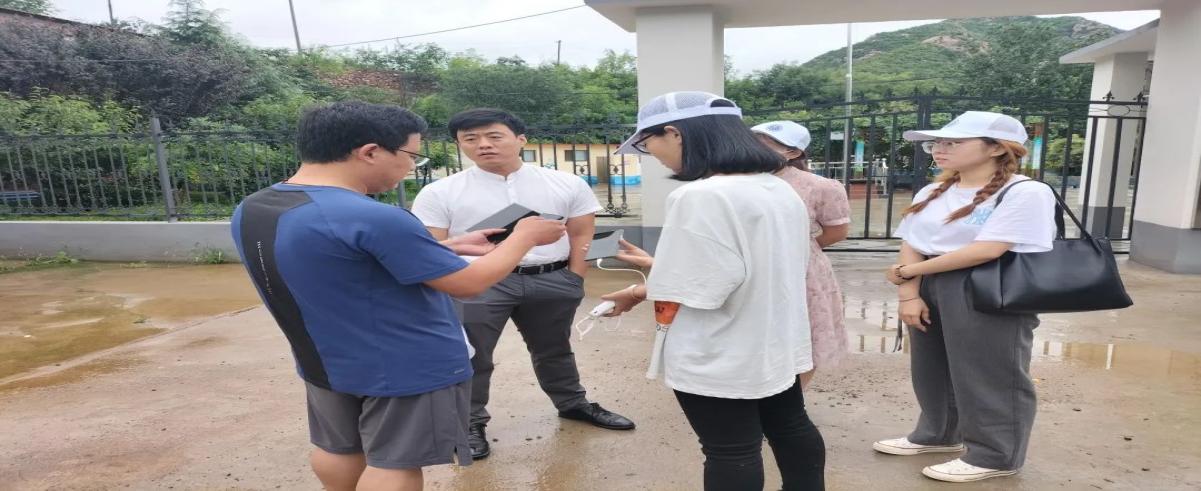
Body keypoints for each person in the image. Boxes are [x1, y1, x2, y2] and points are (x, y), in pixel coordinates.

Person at [230, 101, 567, 491]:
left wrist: (446, 247)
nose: (410, 166)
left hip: (324, 358)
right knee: (395, 464)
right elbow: (469, 283)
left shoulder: (256, 207)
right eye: (410, 155)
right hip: (403, 364)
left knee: (338, 447)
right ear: (370, 152)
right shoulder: (376, 217)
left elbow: (342, 260)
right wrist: (524, 237)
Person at [601, 92, 826, 490]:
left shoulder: (701, 195)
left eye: (647, 143)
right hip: (774, 339)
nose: (652, 154)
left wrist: (636, 292)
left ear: (674, 133)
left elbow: (700, 286)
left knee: (730, 449)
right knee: (790, 426)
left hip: (722, 345)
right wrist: (654, 275)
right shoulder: (777, 188)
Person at [411, 108, 635, 461]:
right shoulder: (440, 192)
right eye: (470, 139)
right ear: (459, 145)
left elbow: (582, 233)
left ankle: (572, 403)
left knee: (554, 348)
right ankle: (469, 422)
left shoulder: (565, 183)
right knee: (472, 354)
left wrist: (574, 276)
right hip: (479, 283)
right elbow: (433, 245)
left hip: (552, 278)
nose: (483, 145)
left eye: (493, 136)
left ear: (521, 139)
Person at [872, 111, 1057, 483]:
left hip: (988, 285)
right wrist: (909, 295)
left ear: (996, 148)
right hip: (928, 281)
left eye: (953, 142)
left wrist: (908, 273)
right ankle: (938, 433)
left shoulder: (1025, 192)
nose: (939, 149)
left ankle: (996, 454)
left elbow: (987, 250)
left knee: (990, 370)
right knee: (931, 366)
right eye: (937, 142)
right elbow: (911, 242)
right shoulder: (933, 191)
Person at [751, 121, 851, 387]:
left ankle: (794, 398)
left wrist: (795, 248)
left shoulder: (820, 187)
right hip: (752, 266)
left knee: (805, 334)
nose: (753, 148)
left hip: (803, 270)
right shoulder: (735, 181)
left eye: (764, 143)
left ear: (793, 152)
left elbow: (836, 231)